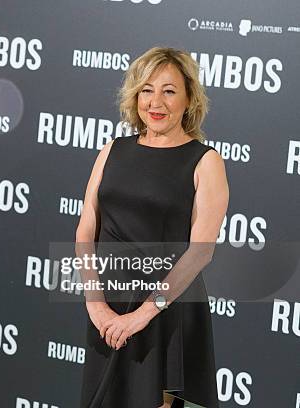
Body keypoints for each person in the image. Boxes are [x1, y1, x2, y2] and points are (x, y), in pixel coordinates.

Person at [75, 46, 229, 408]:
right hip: (108, 307)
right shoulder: (112, 150)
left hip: (165, 311)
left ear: (189, 98)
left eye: (169, 90)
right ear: (135, 96)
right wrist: (96, 305)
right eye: (147, 90)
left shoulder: (205, 162)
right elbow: (86, 230)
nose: (155, 101)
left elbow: (200, 251)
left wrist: (143, 314)